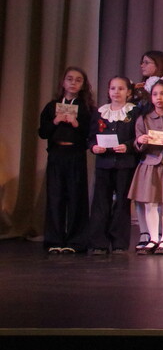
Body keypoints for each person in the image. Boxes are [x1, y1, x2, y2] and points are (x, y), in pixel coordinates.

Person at [38, 67, 95, 254]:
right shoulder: (51, 106)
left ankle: (76, 241)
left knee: (76, 197)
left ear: (83, 85)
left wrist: (76, 123)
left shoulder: (86, 108)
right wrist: (55, 121)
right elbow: (42, 132)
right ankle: (54, 240)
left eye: (78, 80)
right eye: (69, 79)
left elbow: (91, 134)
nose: (73, 83)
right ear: (63, 82)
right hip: (56, 154)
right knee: (55, 197)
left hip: (75, 155)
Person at [128, 74, 163, 255]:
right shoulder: (144, 118)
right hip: (149, 164)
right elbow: (137, 142)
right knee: (150, 203)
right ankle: (153, 238)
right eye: (155, 94)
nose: (159, 98)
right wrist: (141, 140)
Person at [87, 76, 139, 254]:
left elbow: (138, 136)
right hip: (104, 163)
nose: (116, 92)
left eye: (121, 89)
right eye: (113, 88)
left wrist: (128, 146)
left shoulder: (133, 112)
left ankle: (119, 242)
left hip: (125, 163)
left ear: (128, 92)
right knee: (101, 202)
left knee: (122, 203)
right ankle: (99, 242)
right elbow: (91, 137)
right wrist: (94, 147)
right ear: (108, 91)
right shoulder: (100, 112)